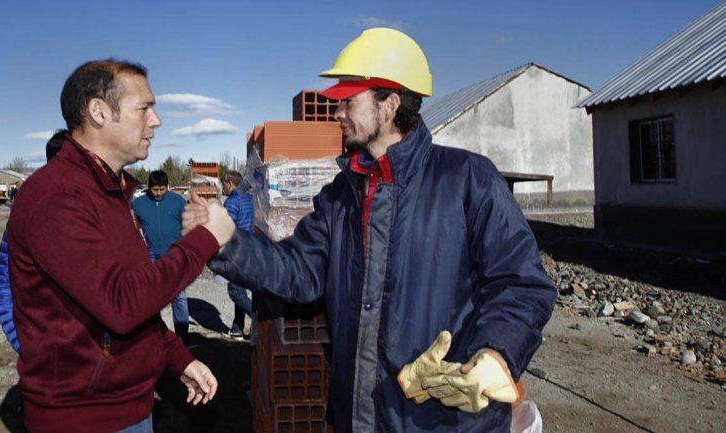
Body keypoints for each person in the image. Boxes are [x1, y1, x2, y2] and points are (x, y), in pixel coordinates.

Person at [187, 28, 556, 433]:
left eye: (349, 101)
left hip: (444, 422)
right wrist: (228, 244)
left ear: (390, 104)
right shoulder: (341, 195)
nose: (337, 112)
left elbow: (521, 284)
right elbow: (299, 271)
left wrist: (496, 354)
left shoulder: (468, 180)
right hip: (362, 418)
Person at [7, 59, 234, 433]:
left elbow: (132, 297)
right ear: (99, 112)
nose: (156, 120)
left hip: (127, 409)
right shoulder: (56, 197)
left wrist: (177, 358)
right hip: (82, 419)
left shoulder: (112, 192)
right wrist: (206, 240)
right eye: (144, 108)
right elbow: (122, 303)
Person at [0, 129, 67, 353]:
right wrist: (24, 343)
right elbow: (2, 287)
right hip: (52, 361)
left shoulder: (114, 212)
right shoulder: (26, 219)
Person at [133, 170, 190, 343]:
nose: (158, 193)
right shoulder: (138, 204)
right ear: (149, 188)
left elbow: (187, 225)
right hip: (149, 259)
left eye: (162, 189)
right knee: (151, 298)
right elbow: (134, 229)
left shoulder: (178, 201)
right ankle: (154, 337)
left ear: (167, 187)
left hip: (174, 257)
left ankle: (183, 338)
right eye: (155, 190)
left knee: (178, 297)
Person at [219, 170, 254, 339]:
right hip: (251, 249)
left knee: (236, 292)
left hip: (237, 251)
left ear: (230, 183)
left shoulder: (231, 203)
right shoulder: (249, 199)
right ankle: (237, 328)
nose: (222, 187)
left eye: (223, 184)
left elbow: (227, 229)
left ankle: (260, 320)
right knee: (242, 289)